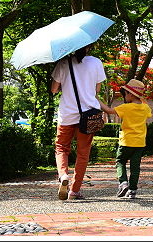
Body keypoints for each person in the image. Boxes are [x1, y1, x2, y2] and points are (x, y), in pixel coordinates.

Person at [50, 45, 107, 200]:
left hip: (67, 115)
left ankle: (63, 176)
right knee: (83, 154)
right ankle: (74, 191)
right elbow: (97, 90)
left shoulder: (63, 63)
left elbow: (54, 89)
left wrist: (64, 85)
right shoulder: (96, 62)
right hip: (88, 115)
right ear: (90, 46)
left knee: (61, 148)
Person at [99, 79, 152, 199]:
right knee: (135, 167)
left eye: (125, 93)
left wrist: (97, 99)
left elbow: (108, 110)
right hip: (139, 143)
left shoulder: (125, 108)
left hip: (126, 142)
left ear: (131, 94)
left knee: (120, 162)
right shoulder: (145, 108)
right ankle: (132, 190)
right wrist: (139, 97)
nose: (124, 96)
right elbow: (148, 110)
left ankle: (123, 183)